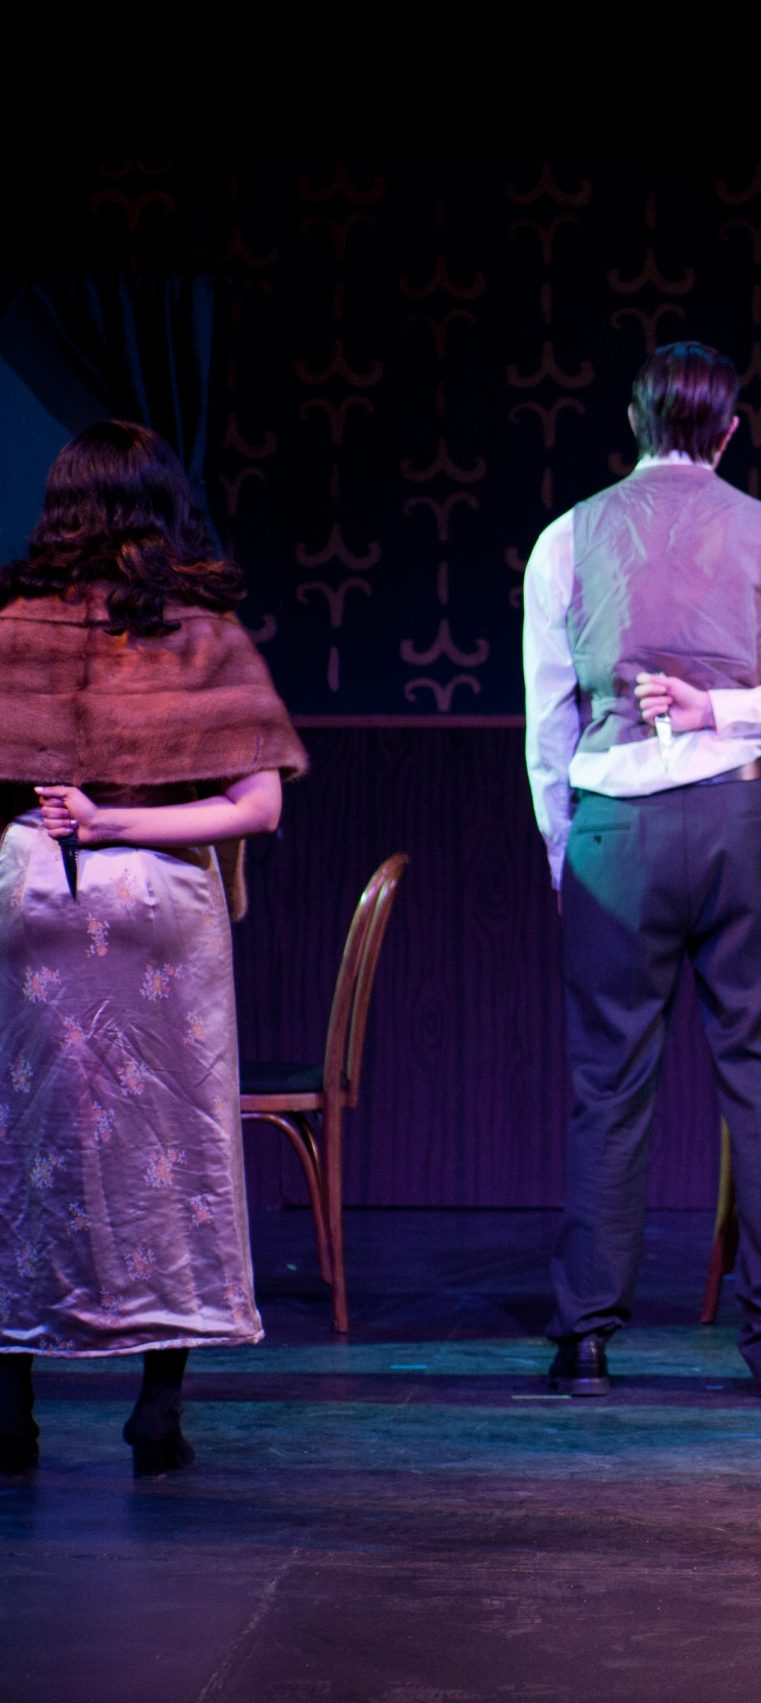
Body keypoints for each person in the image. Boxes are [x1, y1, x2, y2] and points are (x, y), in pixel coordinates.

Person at [523, 341, 761, 1399]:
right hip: (744, 823)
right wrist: (734, 708)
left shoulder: (564, 539)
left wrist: (566, 853)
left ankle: (586, 1334)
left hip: (616, 834)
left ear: (633, 422)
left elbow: (548, 724)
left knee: (606, 1084)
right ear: (728, 430)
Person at [0, 421, 306, 1477]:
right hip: (158, 900)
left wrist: (63, 826)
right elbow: (258, 806)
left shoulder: (12, 628)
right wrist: (119, 823)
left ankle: (10, 1405)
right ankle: (157, 1407)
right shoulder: (201, 634)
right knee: (169, 1139)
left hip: (32, 898)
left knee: (24, 1139)